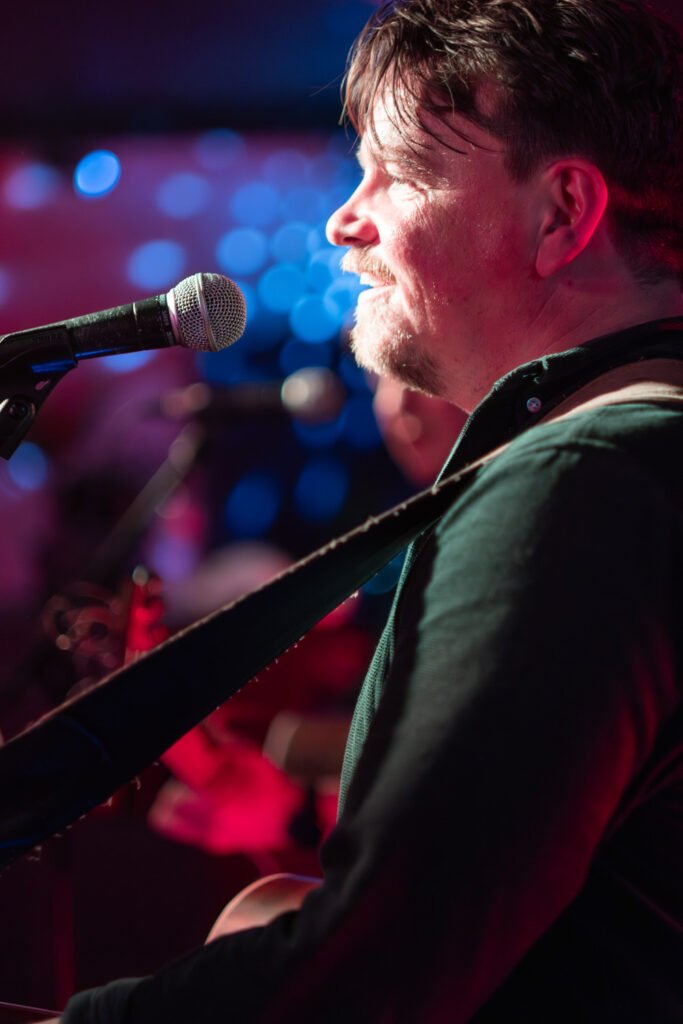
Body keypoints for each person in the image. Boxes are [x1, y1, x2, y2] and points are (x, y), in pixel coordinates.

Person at [49, 0, 683, 1020]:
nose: (345, 217)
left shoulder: (585, 480)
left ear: (561, 213)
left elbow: (375, 976)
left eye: (394, 170)